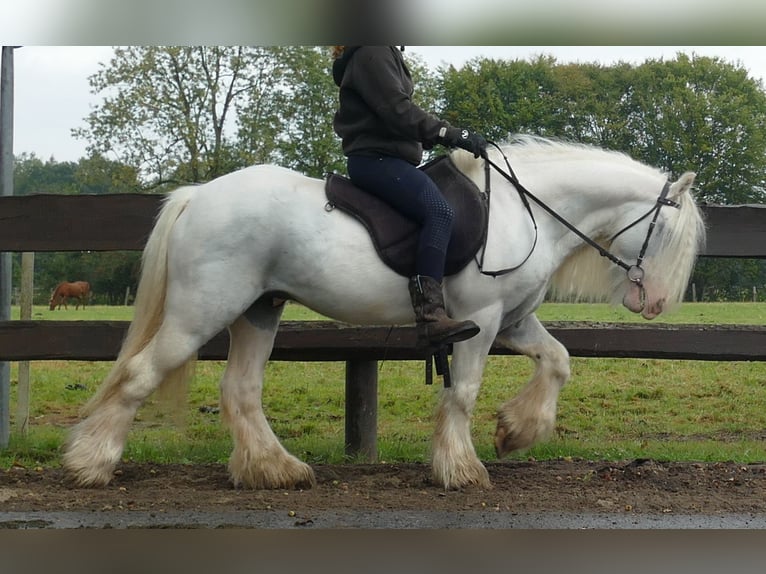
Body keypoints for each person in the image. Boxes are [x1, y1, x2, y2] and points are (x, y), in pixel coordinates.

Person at [332, 45, 488, 349]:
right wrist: (449, 134)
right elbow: (397, 109)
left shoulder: (378, 51)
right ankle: (430, 316)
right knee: (439, 212)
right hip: (376, 161)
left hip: (390, 160)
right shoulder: (372, 51)